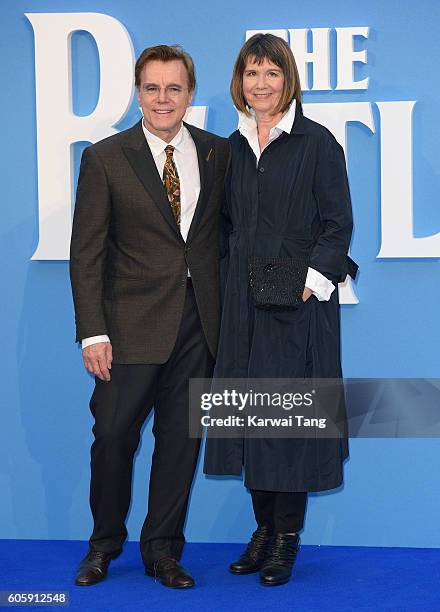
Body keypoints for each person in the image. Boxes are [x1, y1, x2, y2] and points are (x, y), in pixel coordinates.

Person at [70, 44, 229, 589]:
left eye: (174, 88)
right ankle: (103, 544)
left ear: (190, 93)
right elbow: (86, 252)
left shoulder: (217, 153)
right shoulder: (106, 158)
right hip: (127, 327)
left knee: (180, 443)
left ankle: (162, 549)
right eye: (152, 88)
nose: (163, 99)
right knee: (113, 436)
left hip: (198, 325)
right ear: (138, 93)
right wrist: (93, 330)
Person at [204, 33, 357, 587]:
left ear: (289, 79)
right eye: (251, 73)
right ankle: (263, 531)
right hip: (243, 304)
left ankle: (286, 539)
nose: (260, 84)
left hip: (298, 307)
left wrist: (309, 286)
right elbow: (221, 228)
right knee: (251, 418)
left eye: (271, 73)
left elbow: (338, 225)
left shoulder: (318, 143)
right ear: (238, 82)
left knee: (289, 423)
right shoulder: (231, 147)